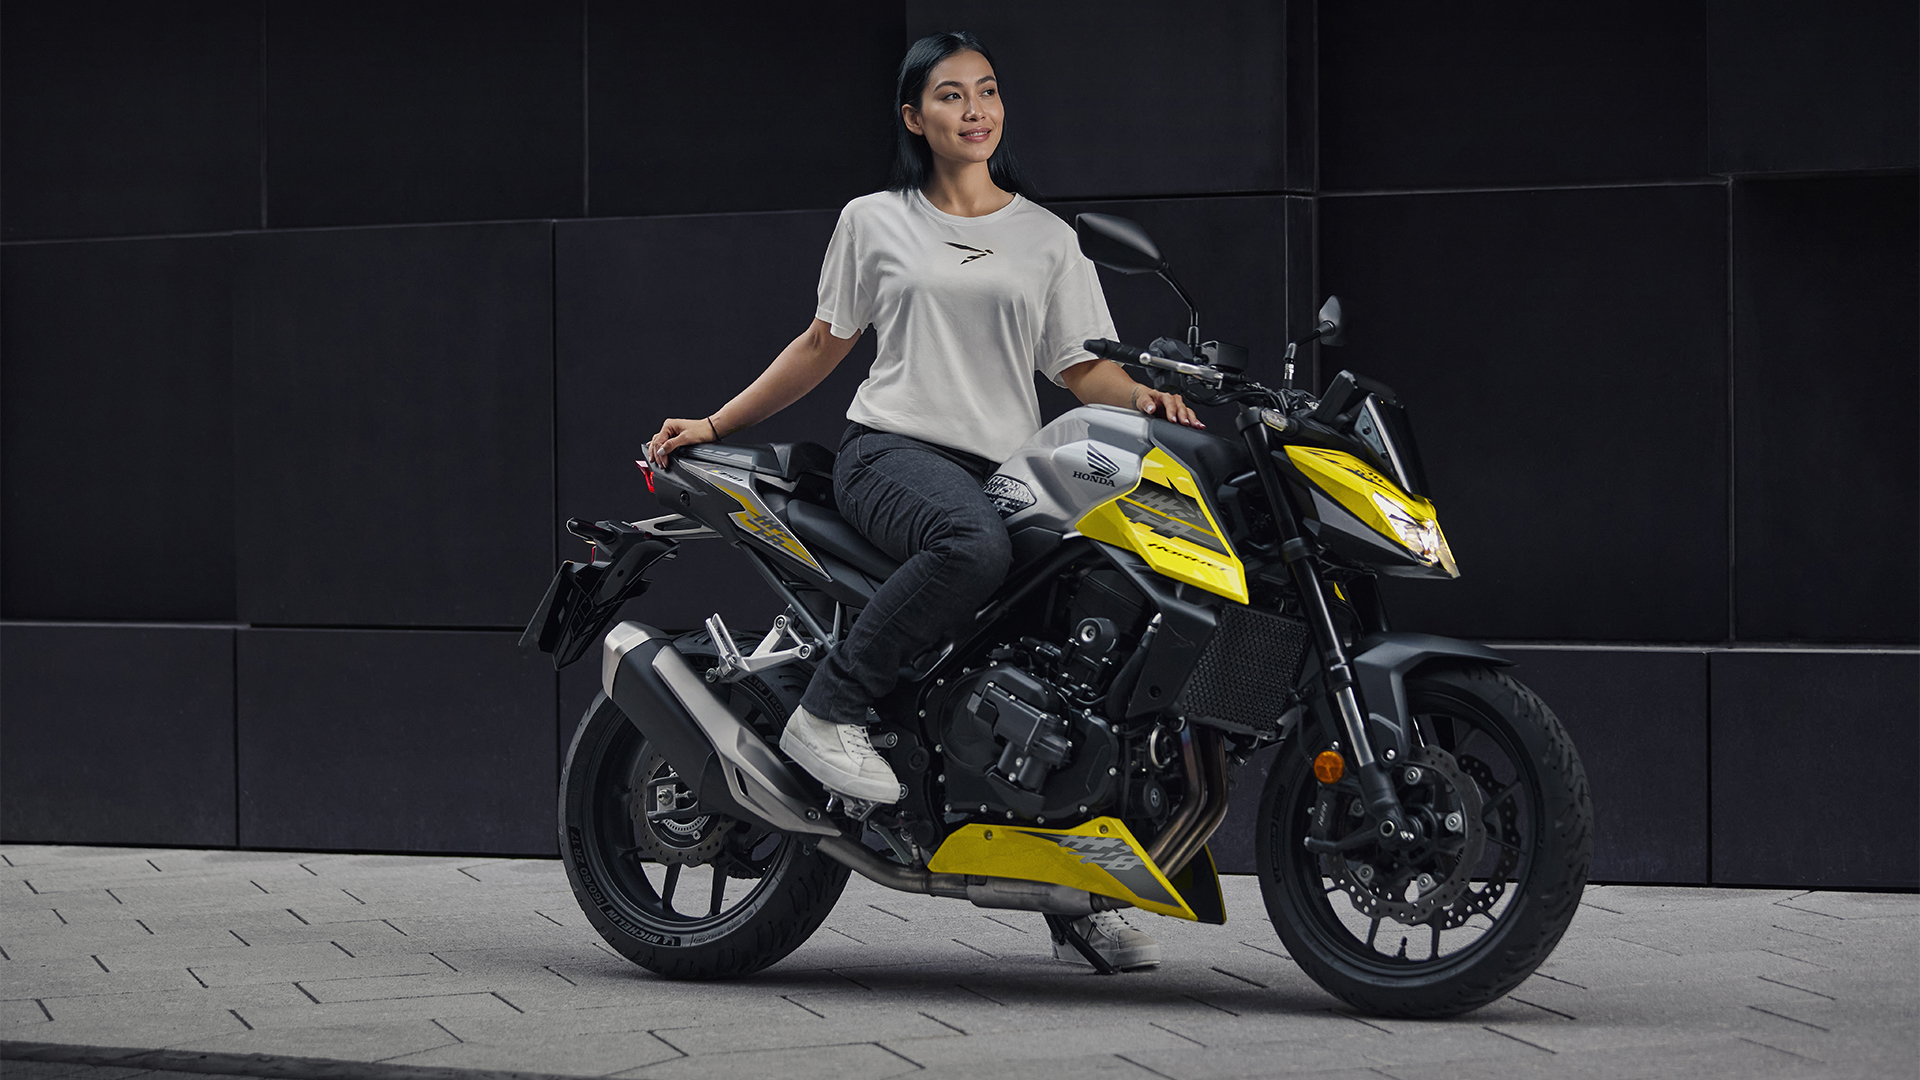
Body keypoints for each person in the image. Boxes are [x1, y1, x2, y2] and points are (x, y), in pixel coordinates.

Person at [646, 31, 1198, 970]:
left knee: (1077, 651)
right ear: (914, 117)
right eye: (951, 95)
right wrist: (715, 421)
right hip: (892, 454)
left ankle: (1078, 889)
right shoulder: (875, 220)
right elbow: (822, 344)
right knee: (971, 546)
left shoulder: (1047, 237)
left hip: (1006, 467)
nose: (975, 110)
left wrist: (1144, 398)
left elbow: (1078, 368)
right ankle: (828, 711)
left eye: (987, 91)